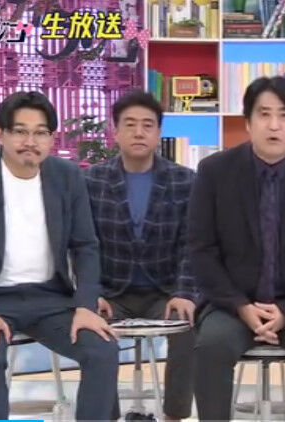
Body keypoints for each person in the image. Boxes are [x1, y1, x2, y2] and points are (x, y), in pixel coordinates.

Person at [0, 91, 119, 420]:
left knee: (102, 349)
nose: (30, 142)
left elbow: (86, 246)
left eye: (40, 132)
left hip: (49, 298)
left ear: (51, 138)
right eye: (20, 131)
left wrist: (85, 305)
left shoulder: (67, 176)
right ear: (0, 133)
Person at [188, 76, 285, 421]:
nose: (274, 125)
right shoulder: (214, 171)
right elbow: (201, 250)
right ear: (248, 122)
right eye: (264, 114)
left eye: (284, 115)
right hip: (231, 305)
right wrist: (241, 307)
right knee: (211, 346)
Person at [85, 90, 197, 421]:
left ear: (158, 132)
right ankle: (108, 416)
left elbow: (191, 244)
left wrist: (184, 293)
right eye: (130, 124)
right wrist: (90, 294)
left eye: (147, 125)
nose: (138, 132)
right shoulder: (91, 181)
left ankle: (174, 415)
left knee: (190, 326)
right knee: (92, 331)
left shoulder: (184, 180)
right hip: (110, 293)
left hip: (164, 291)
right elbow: (82, 245)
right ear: (115, 131)